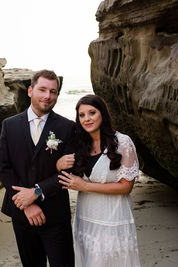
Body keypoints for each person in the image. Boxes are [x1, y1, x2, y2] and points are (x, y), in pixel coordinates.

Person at [0, 70, 75, 267]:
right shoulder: (9, 125)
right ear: (30, 91)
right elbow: (4, 168)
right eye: (42, 90)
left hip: (55, 215)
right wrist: (27, 204)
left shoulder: (67, 127)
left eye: (53, 92)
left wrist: (37, 192)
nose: (48, 96)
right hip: (21, 213)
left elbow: (69, 173)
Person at [57, 94, 141, 267]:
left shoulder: (123, 143)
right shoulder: (80, 145)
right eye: (82, 115)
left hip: (111, 219)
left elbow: (126, 187)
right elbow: (66, 174)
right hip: (86, 219)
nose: (87, 118)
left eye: (92, 113)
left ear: (102, 113)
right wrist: (58, 164)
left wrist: (85, 185)